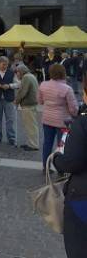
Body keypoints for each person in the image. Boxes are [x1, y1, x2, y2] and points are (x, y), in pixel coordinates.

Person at [52, 109, 87, 258]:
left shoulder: (83, 123)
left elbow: (72, 162)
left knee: (79, 248)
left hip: (82, 198)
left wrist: (56, 159)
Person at [38, 64, 78, 170]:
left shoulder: (43, 85)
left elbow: (40, 101)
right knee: (62, 146)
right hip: (63, 122)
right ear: (63, 73)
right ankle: (60, 168)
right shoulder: (67, 89)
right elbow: (73, 108)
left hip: (47, 119)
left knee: (47, 143)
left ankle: (45, 166)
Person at [14, 65, 40, 151]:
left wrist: (16, 101)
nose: (16, 74)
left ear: (21, 71)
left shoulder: (26, 77)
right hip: (32, 104)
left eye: (17, 72)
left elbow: (22, 92)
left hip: (28, 105)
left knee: (30, 126)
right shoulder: (31, 76)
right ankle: (31, 143)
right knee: (31, 125)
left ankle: (33, 145)